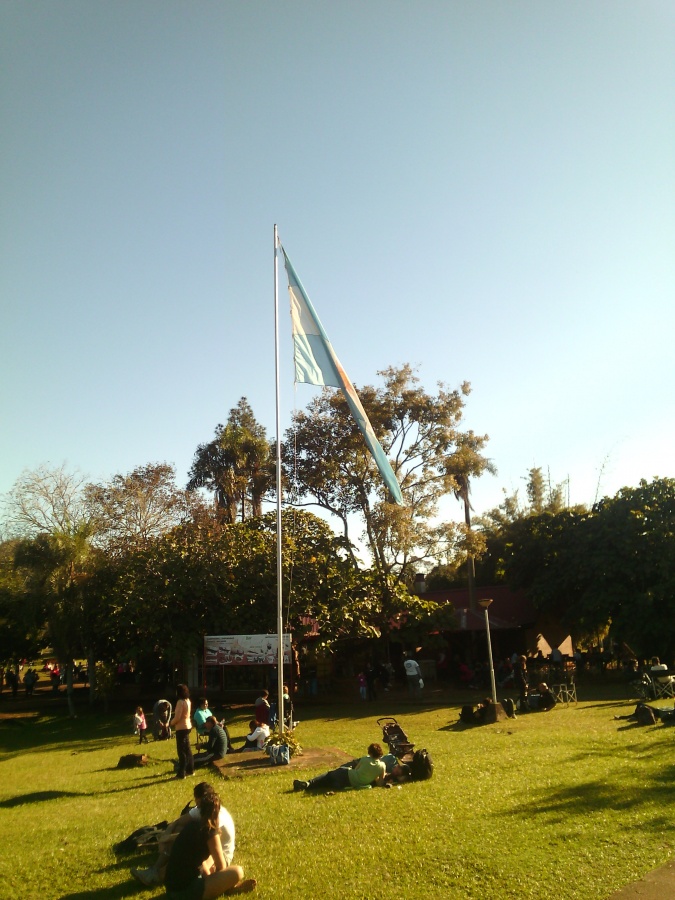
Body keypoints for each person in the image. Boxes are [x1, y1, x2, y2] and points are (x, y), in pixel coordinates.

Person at [135, 787, 255, 897]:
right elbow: (221, 867)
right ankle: (227, 889)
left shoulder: (192, 825)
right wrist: (216, 880)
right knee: (237, 871)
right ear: (217, 811)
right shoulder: (210, 831)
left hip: (171, 889)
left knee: (203, 867)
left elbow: (198, 861)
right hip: (186, 892)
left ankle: (155, 873)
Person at [293, 743, 386, 792]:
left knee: (328, 776)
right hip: (349, 785)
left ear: (370, 752)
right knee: (327, 783)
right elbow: (380, 782)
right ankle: (308, 786)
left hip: (346, 775)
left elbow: (356, 770)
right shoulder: (382, 766)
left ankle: (307, 784)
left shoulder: (365, 759)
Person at [170, 684, 194, 779]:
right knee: (187, 750)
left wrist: (171, 723)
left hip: (181, 727)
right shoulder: (188, 701)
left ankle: (181, 773)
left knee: (182, 751)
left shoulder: (180, 702)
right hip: (188, 725)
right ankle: (190, 770)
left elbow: (177, 717)